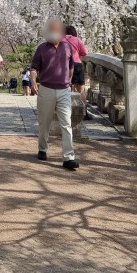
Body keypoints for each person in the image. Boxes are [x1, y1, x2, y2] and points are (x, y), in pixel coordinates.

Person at [30, 18, 80, 170]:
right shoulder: (42, 48)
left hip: (64, 89)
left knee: (66, 123)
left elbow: (71, 66)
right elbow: (34, 68)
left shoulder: (67, 47)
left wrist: (69, 81)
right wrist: (33, 82)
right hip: (46, 89)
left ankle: (68, 157)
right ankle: (42, 149)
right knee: (44, 122)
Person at [64, 24, 92, 120]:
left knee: (64, 88)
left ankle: (65, 111)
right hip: (76, 64)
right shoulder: (77, 40)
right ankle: (84, 112)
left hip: (64, 65)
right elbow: (85, 52)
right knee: (81, 90)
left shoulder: (60, 40)